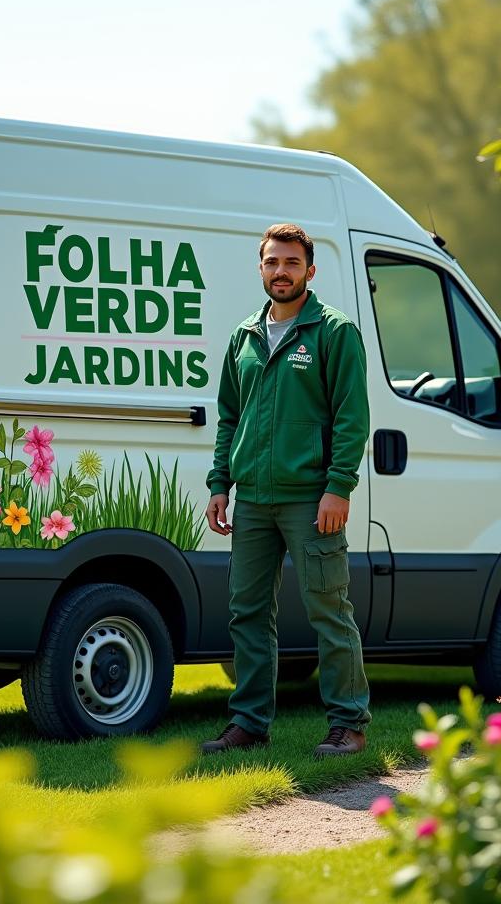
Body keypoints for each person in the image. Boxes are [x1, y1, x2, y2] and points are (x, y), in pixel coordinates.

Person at [202, 223, 371, 757]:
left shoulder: (334, 333)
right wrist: (220, 484)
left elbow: (351, 418)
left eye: (292, 263)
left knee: (328, 607)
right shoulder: (243, 336)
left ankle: (349, 723)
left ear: (310, 271)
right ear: (261, 268)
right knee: (247, 613)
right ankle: (250, 723)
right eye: (273, 262)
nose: (281, 272)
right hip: (251, 499)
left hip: (310, 500)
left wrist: (338, 488)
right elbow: (230, 416)